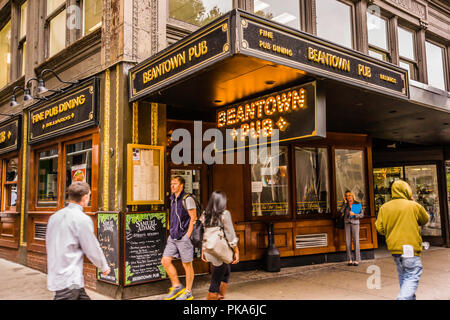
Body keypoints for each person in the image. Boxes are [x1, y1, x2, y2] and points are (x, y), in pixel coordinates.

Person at [45, 182, 110, 300]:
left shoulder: (54, 217)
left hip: (60, 275)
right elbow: (91, 248)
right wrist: (104, 266)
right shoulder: (82, 219)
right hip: (69, 279)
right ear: (85, 197)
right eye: (89, 196)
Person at [375, 180, 429, 300]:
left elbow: (379, 228)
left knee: (404, 277)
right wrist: (413, 201)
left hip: (395, 249)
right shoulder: (413, 206)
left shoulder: (385, 208)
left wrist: (391, 233)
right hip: (410, 248)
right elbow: (425, 219)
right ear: (407, 190)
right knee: (412, 275)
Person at [161, 176, 197, 300]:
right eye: (171, 184)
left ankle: (188, 292)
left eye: (175, 184)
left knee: (187, 264)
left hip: (183, 236)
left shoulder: (187, 199)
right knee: (165, 260)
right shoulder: (173, 199)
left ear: (181, 185)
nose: (172, 186)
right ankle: (177, 286)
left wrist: (187, 236)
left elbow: (194, 218)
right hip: (173, 236)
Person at [200, 191, 239, 300]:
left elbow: (203, 234)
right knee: (215, 282)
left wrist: (203, 250)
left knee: (226, 271)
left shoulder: (204, 214)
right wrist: (236, 251)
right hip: (220, 250)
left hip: (209, 250)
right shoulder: (224, 214)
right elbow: (230, 236)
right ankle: (213, 298)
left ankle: (220, 296)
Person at [340, 190, 364, 266]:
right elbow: (341, 211)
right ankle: (349, 259)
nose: (348, 197)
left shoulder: (357, 203)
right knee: (348, 242)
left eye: (349, 195)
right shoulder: (345, 204)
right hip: (347, 223)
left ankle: (357, 259)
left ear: (352, 195)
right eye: (347, 196)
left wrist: (355, 214)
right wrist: (344, 203)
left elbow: (361, 215)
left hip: (355, 223)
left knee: (356, 241)